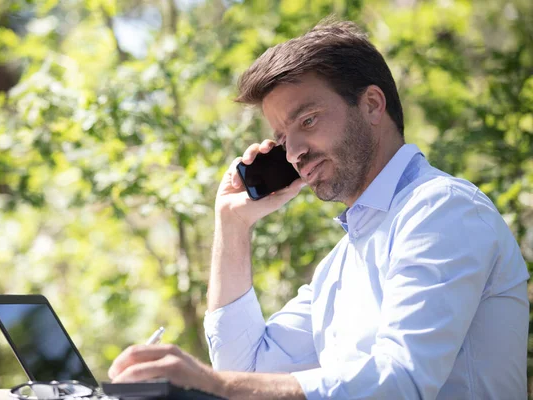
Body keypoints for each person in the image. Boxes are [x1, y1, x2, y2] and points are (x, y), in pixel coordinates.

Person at [108, 17, 530, 399]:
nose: (293, 153)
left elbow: (403, 379)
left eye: (307, 120)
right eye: (282, 136)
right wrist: (232, 226)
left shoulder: (442, 210)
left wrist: (215, 384)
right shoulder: (341, 264)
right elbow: (245, 369)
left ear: (371, 105)